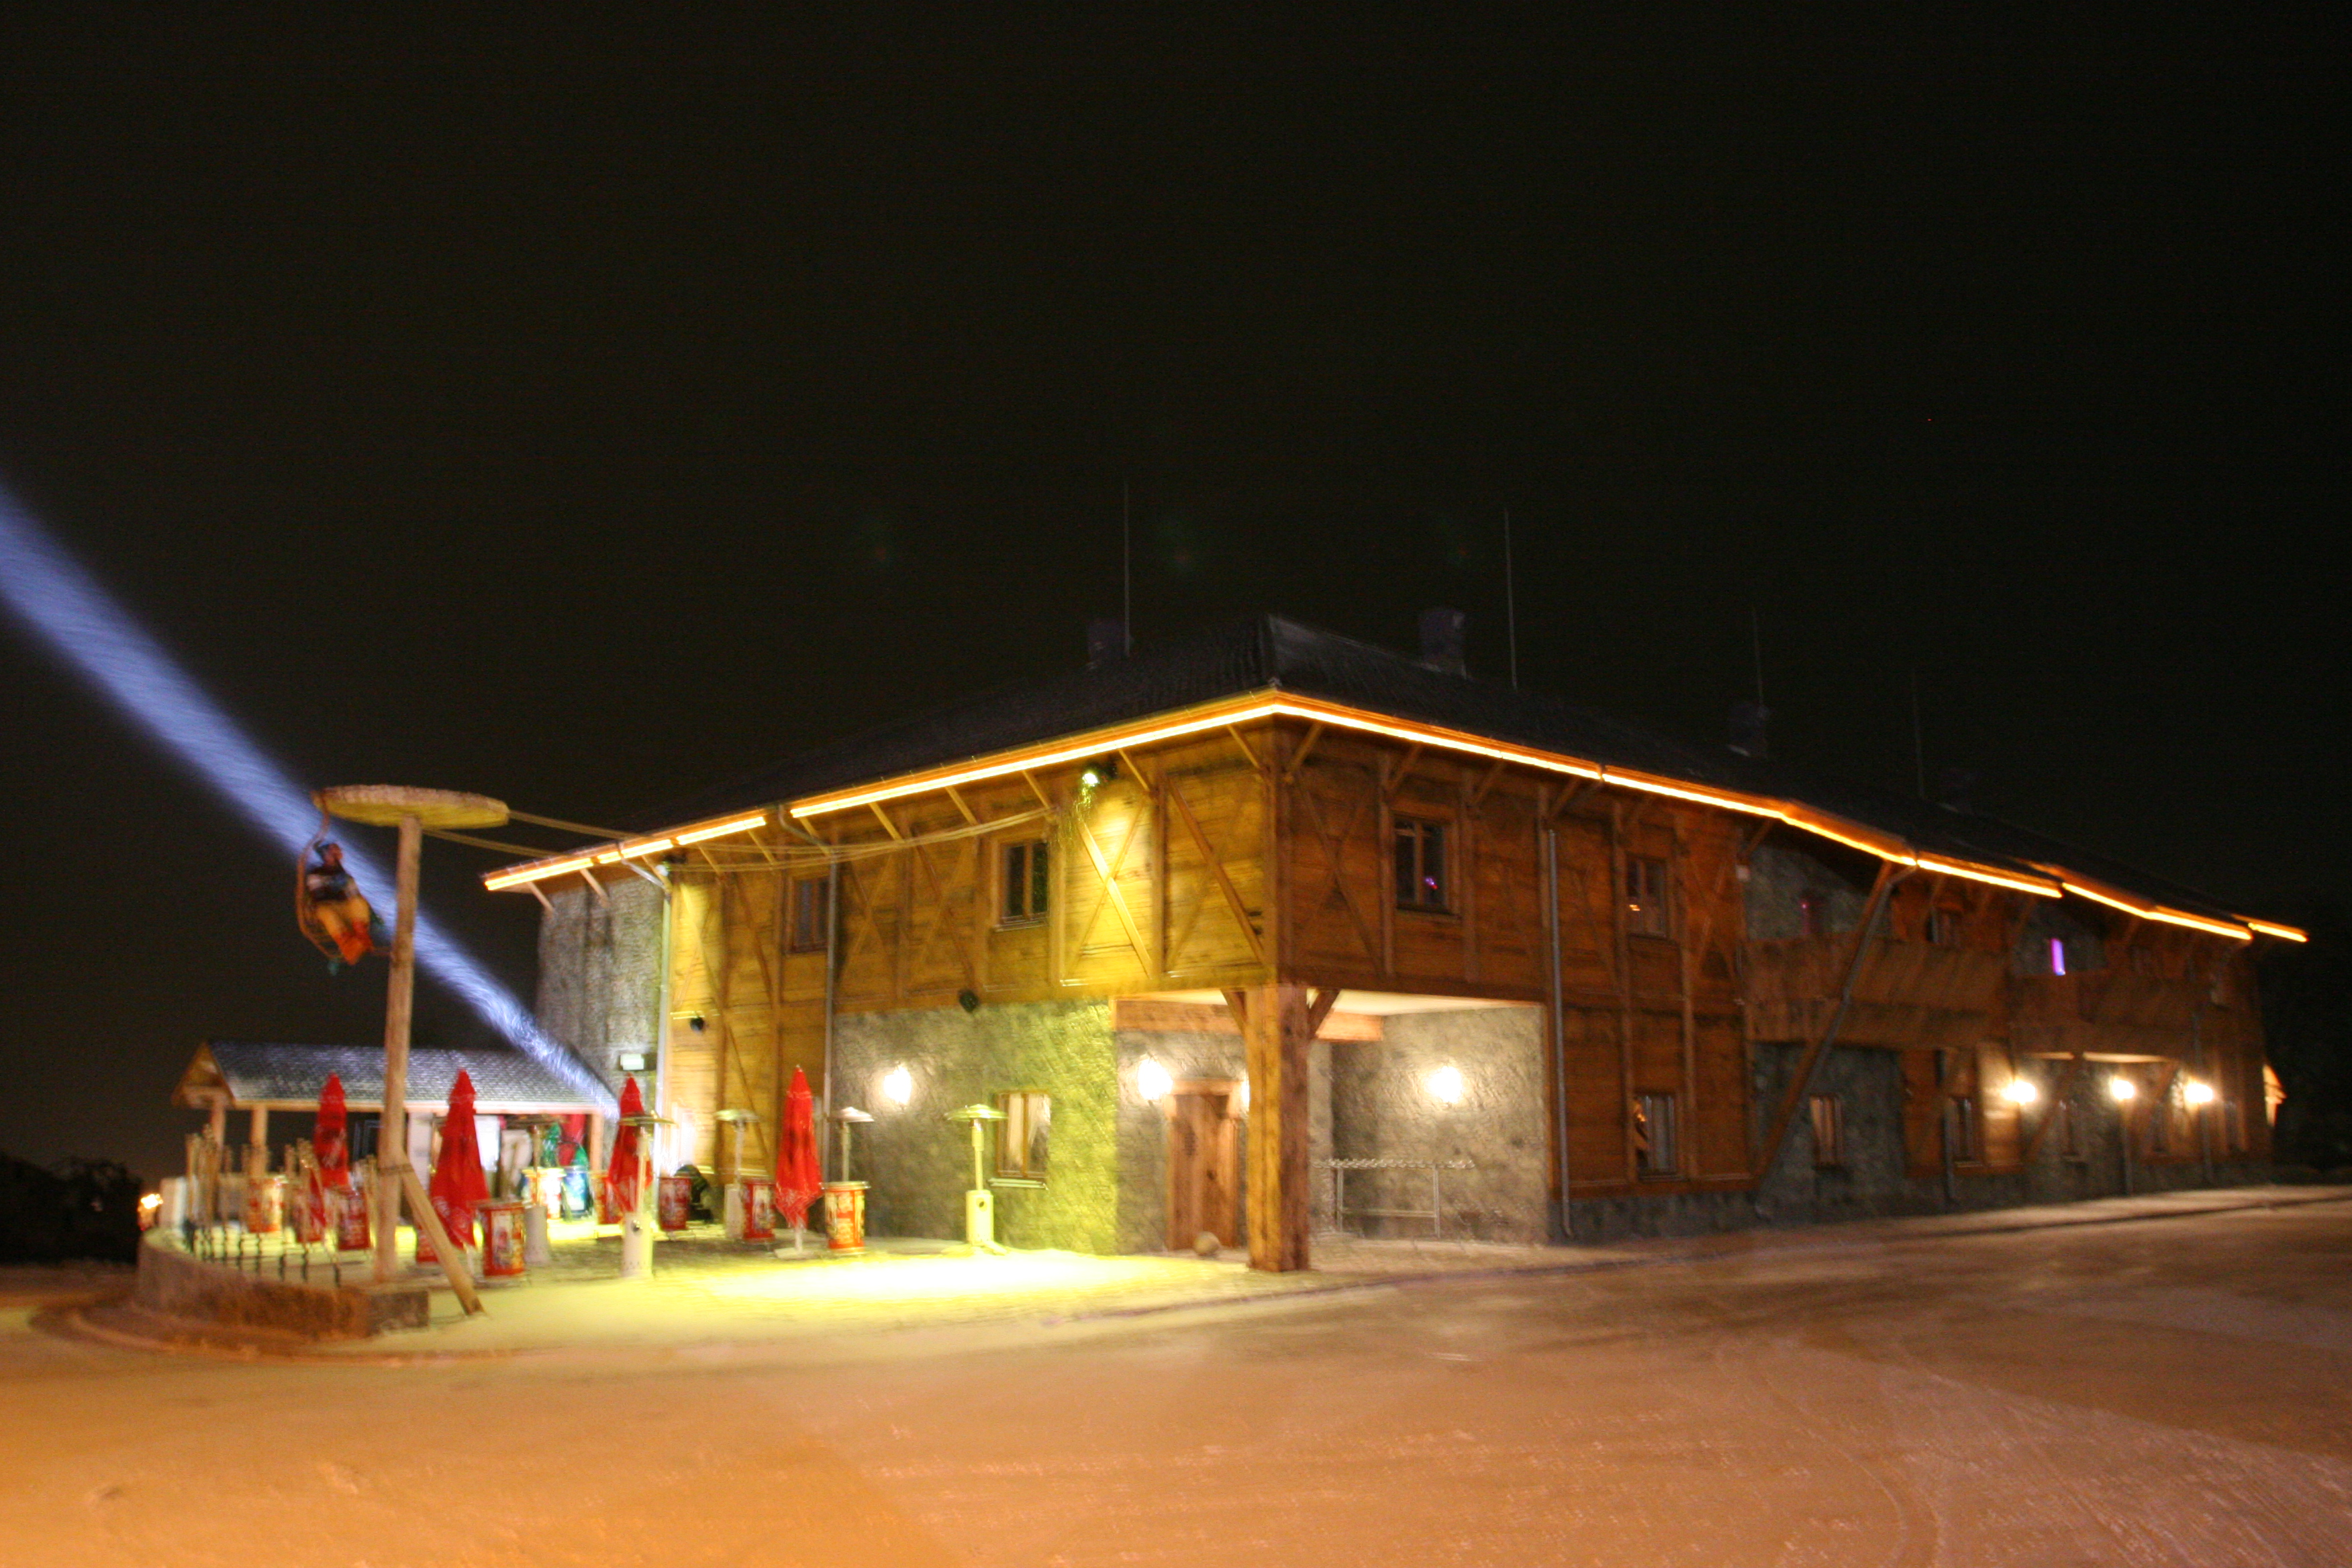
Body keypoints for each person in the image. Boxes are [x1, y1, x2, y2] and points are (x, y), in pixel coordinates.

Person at [302, 841, 379, 966]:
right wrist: (335, 884)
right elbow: (319, 895)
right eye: (334, 851)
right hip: (330, 908)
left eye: (338, 850)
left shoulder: (345, 875)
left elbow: (354, 895)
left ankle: (361, 937)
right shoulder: (316, 873)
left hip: (346, 910)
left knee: (358, 902)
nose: (339, 853)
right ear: (326, 855)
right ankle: (348, 945)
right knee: (325, 912)